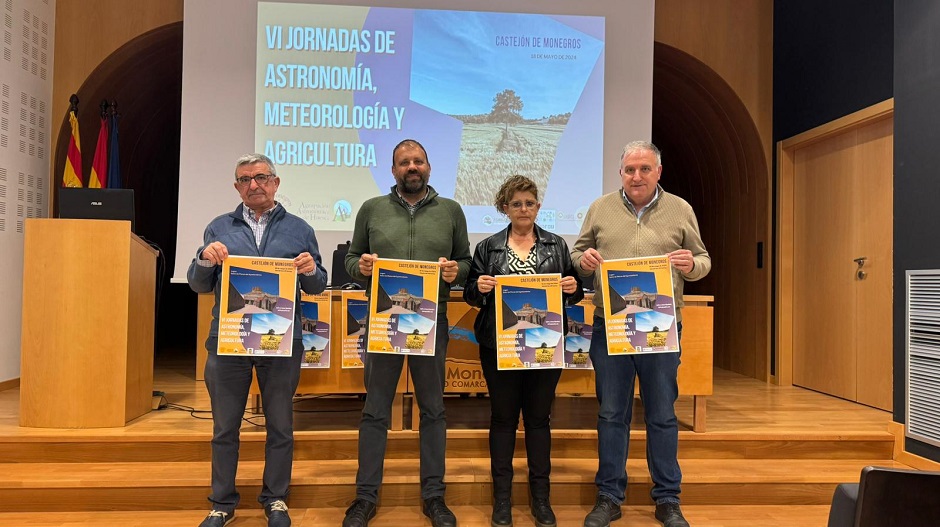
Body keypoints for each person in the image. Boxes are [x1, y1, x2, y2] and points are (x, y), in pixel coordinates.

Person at [571, 141, 710, 527]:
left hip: (661, 325)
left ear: (658, 172)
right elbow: (577, 255)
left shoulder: (680, 209)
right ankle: (608, 496)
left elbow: (703, 260)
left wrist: (691, 265)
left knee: (662, 414)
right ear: (621, 173)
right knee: (612, 412)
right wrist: (582, 260)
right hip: (609, 324)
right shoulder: (600, 208)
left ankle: (667, 498)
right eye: (630, 169)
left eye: (645, 169)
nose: (637, 176)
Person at [187, 153, 328, 527]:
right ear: (237, 187)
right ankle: (221, 503)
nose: (254, 184)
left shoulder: (299, 229)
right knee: (224, 427)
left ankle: (276, 499)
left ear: (276, 182)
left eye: (261, 177)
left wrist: (313, 270)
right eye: (245, 179)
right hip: (229, 342)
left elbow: (317, 285)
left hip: (281, 342)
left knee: (280, 425)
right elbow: (199, 284)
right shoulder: (219, 226)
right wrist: (204, 259)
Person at [342, 139, 472, 527]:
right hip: (383, 322)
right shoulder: (371, 209)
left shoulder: (451, 211)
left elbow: (466, 262)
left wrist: (456, 273)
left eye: (418, 161)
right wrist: (360, 268)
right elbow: (350, 260)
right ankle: (365, 497)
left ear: (429, 167)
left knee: (433, 410)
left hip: (433, 323)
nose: (411, 167)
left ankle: (434, 497)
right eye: (403, 162)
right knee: (375, 410)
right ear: (393, 170)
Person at [463, 175, 584, 527]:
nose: (523, 209)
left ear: (538, 206)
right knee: (502, 420)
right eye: (516, 204)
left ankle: (540, 501)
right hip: (499, 346)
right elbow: (471, 294)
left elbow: (573, 292)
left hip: (545, 344)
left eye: (529, 203)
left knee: (538, 420)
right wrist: (479, 286)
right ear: (505, 208)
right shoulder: (487, 247)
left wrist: (573, 287)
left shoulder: (557, 246)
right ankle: (502, 501)